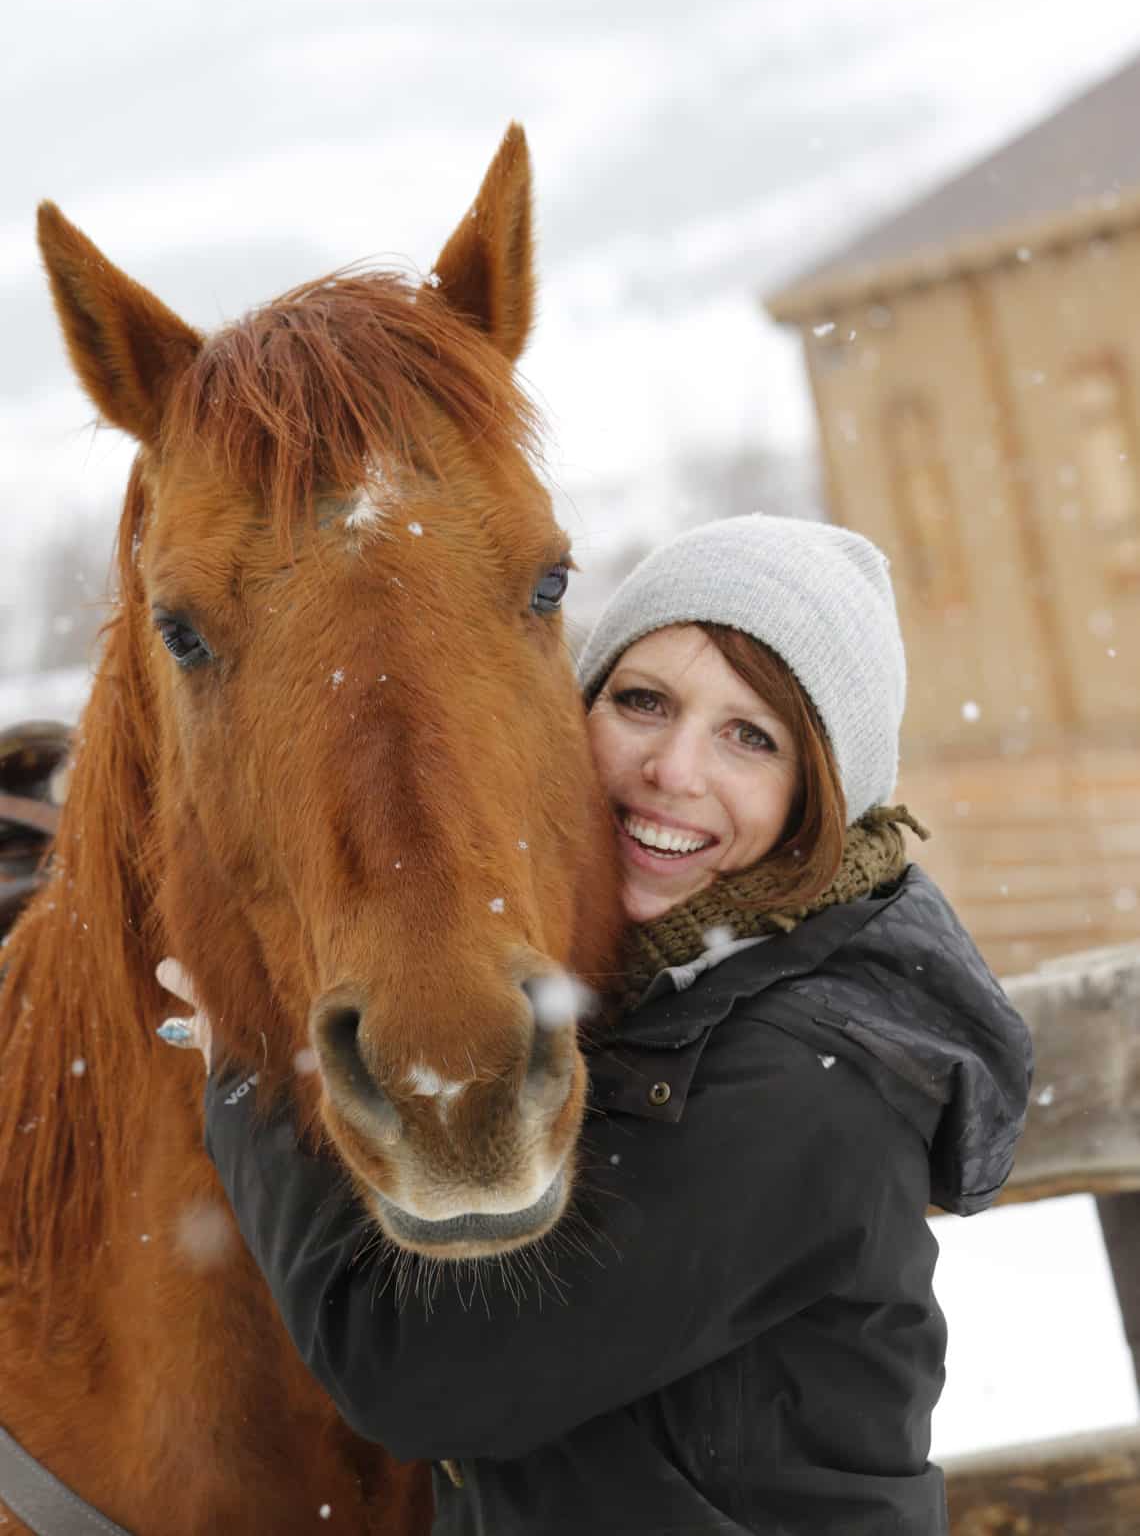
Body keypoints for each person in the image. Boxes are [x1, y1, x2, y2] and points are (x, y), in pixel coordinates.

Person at [158, 512, 1033, 1535]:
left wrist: (253, 1076)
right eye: (642, 702)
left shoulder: (818, 1078)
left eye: (750, 736)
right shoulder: (664, 990)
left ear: (818, 797)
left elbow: (424, 1377)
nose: (673, 769)